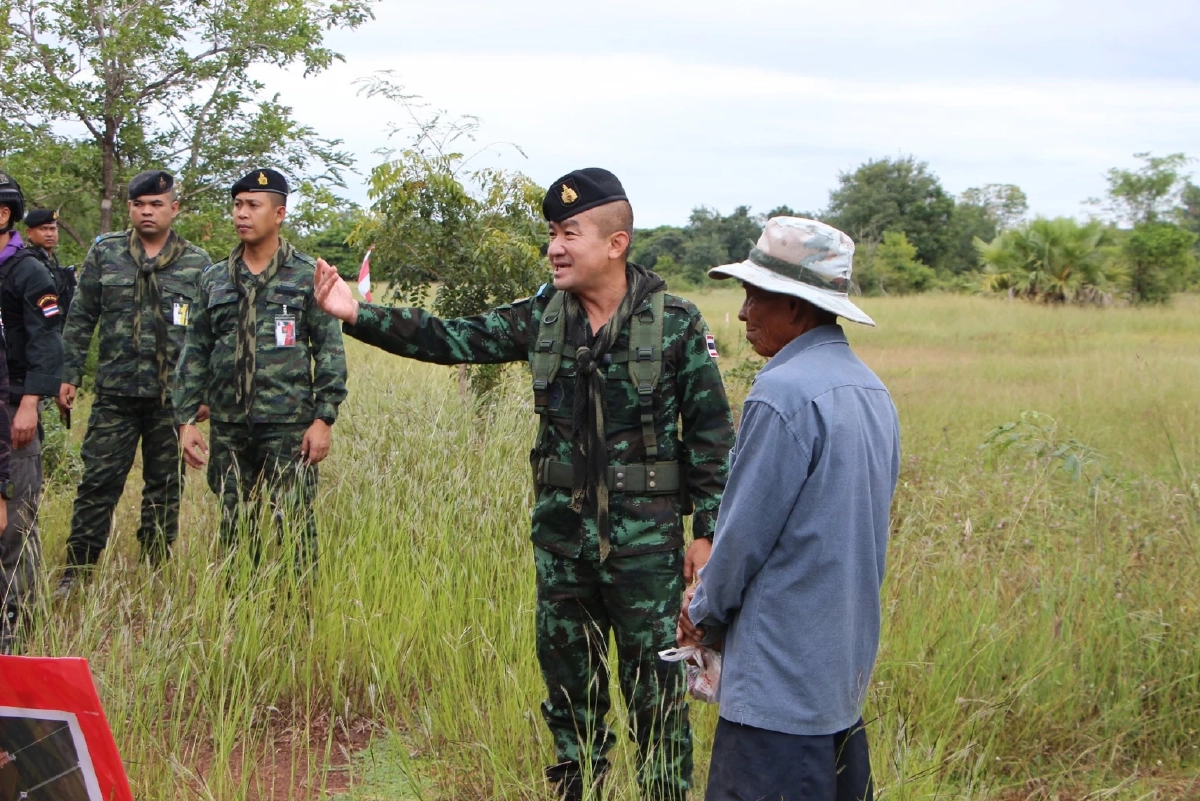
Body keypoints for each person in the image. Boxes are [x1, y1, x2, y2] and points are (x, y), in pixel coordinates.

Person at [312, 168, 736, 800]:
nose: (555, 248)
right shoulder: (544, 316)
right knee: (570, 699)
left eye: (570, 233)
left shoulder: (674, 324)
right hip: (563, 545)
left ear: (615, 244)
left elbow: (710, 436)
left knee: (658, 703)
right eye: (550, 234)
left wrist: (705, 535)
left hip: (647, 551)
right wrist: (357, 314)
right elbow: (451, 338)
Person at [677, 217, 901, 801]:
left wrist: (699, 615)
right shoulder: (871, 391)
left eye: (756, 296)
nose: (745, 313)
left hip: (775, 696)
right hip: (837, 685)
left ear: (799, 307)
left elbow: (741, 539)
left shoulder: (782, 394)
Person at [174, 168, 347, 572]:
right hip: (230, 426)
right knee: (235, 526)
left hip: (288, 426)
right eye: (237, 205)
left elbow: (329, 351)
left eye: (253, 205)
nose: (242, 214)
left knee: (296, 527)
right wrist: (185, 419)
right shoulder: (214, 278)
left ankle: (297, 614)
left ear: (279, 213)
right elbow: (195, 350)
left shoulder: (307, 276)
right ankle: (242, 612)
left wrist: (324, 419)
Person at [55, 171, 212, 595]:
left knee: (164, 487)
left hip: (171, 401)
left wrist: (204, 392)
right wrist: (68, 374)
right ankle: (78, 570)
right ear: (129, 207)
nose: (147, 211)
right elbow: (82, 315)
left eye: (156, 204)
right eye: (139, 203)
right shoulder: (106, 253)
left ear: (174, 208)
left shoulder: (198, 263)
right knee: (97, 482)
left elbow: (212, 332)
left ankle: (154, 571)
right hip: (114, 395)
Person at [0, 169, 63, 651]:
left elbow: (46, 340)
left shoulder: (28, 270)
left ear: (3, 215)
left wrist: (29, 405)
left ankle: (17, 629)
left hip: (13, 409)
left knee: (16, 520)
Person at [23, 208, 77, 330]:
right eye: (43, 229)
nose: (49, 234)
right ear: (29, 232)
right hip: (37, 333)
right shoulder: (26, 262)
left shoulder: (52, 263)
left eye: (52, 229)